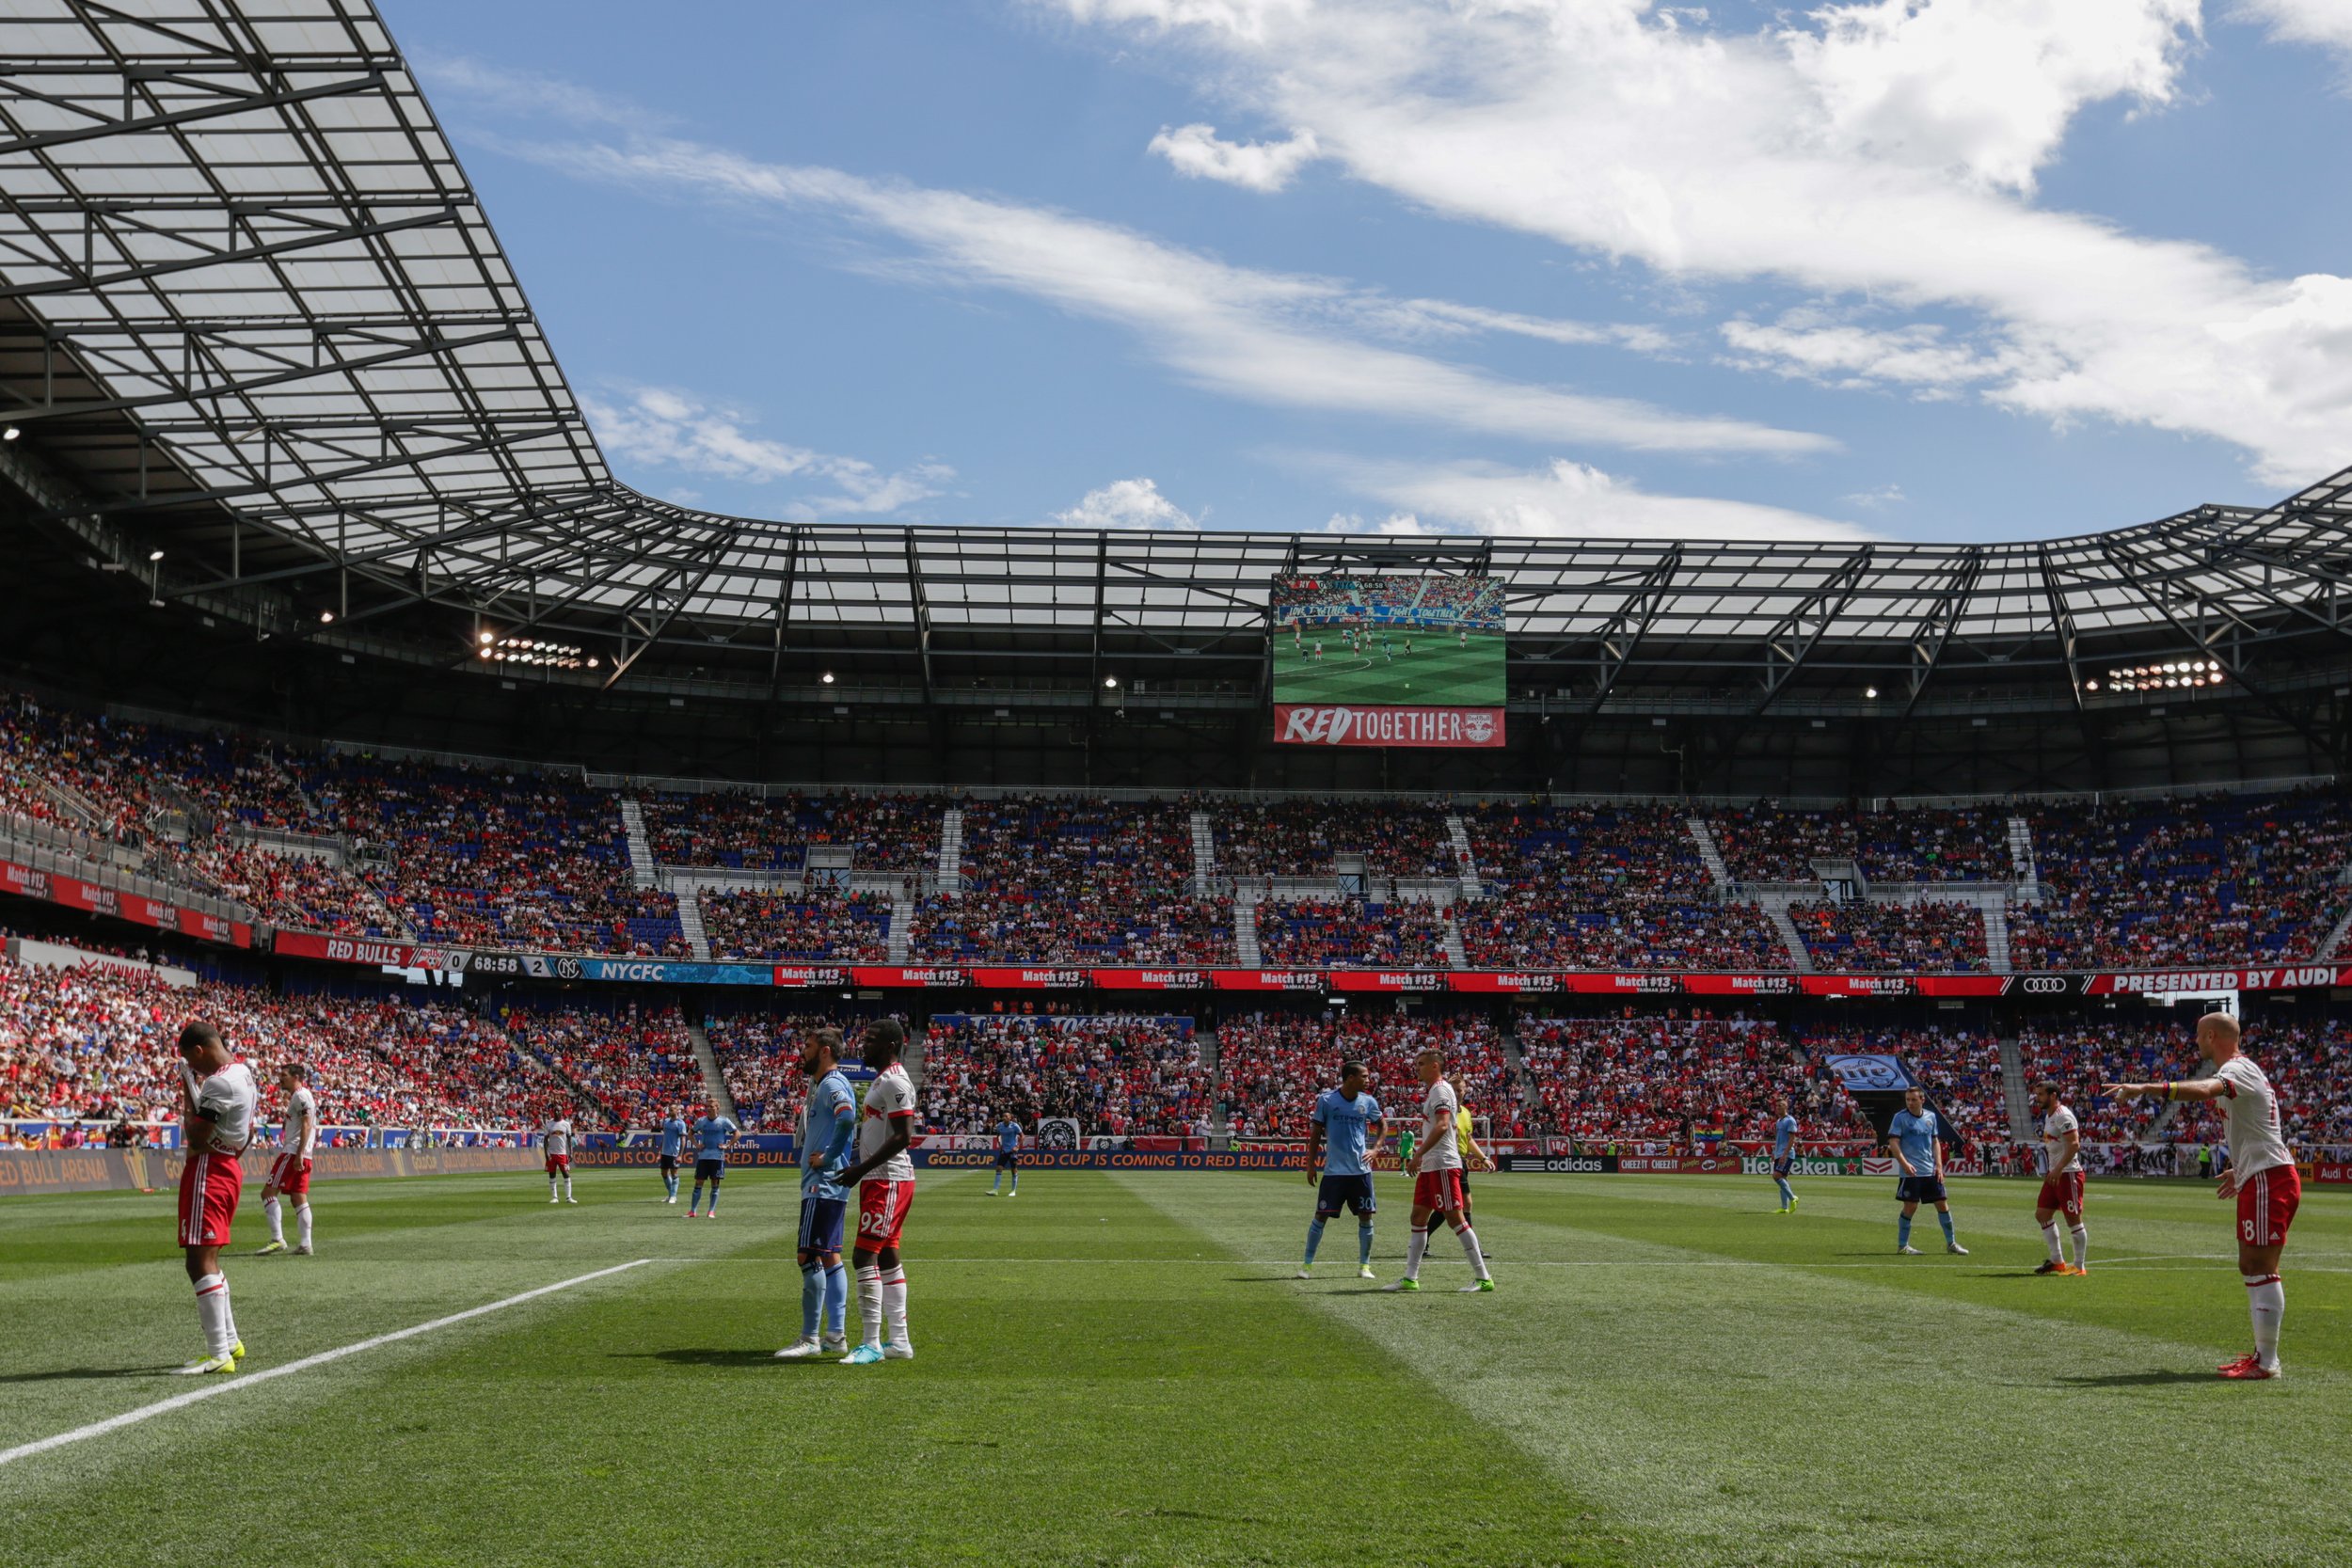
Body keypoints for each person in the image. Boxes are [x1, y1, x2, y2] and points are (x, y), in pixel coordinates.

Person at [2104, 1012, 2298, 1379]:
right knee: (2252, 1266)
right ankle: (2263, 1357)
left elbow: (2207, 1090)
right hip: (2261, 1174)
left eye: (2197, 1036)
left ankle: (2267, 1362)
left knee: (2261, 1267)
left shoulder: (2236, 1070)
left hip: (2269, 1178)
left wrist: (2146, 1088)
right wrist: (2240, 1168)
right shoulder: (2244, 1071)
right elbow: (2260, 1127)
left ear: (2210, 1036)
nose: (2195, 1042)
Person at [832, 1019, 919, 1364]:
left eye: (870, 1041)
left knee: (863, 1255)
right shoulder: (882, 1080)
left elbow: (904, 1135)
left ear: (891, 1046)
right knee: (886, 1255)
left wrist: (859, 1170)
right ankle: (899, 1342)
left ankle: (871, 1344)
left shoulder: (895, 1079)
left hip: (887, 1179)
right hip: (879, 1178)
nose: (863, 1045)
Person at [175, 1021, 257, 1374]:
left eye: (193, 1064)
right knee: (210, 1257)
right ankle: (230, 1342)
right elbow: (249, 1131)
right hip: (228, 1165)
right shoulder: (244, 1073)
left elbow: (195, 1136)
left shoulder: (220, 1082)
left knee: (199, 1260)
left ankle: (218, 1353)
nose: (195, 1071)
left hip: (210, 1169)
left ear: (199, 1051)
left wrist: (186, 1094)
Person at [1382, 1048, 1493, 1293]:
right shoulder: (1435, 1090)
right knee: (1418, 1218)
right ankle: (1410, 1278)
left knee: (1455, 1218)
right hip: (1432, 1166)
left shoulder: (1441, 1089)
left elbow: (1443, 1125)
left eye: (1422, 1063)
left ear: (1435, 1066)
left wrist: (1417, 1155)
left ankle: (1483, 1277)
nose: (1417, 1067)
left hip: (1443, 1163)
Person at [778, 1028, 857, 1359]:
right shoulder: (821, 1085)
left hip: (820, 1185)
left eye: (808, 1047)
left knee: (808, 1257)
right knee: (830, 1256)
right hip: (829, 1186)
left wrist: (826, 1157)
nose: (803, 1052)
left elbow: (848, 1118)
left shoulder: (832, 1085)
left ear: (824, 1051)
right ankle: (835, 1336)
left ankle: (810, 1338)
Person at [1298, 1058, 1383, 1279]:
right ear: (1350, 1078)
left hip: (1361, 1172)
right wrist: (1310, 1165)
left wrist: (1376, 1149)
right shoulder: (1326, 1100)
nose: (1368, 1079)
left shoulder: (1368, 1102)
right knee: (1320, 1216)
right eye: (1364, 1076)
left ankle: (1365, 1266)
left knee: (1366, 1217)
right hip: (1334, 1172)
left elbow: (1383, 1125)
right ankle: (1306, 1266)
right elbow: (1316, 1133)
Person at [1886, 1086, 1966, 1256]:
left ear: (1922, 1100)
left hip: (1930, 1170)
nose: (1910, 1103)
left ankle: (1951, 1243)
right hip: (1911, 1172)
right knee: (1910, 1207)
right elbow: (1893, 1143)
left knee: (1942, 1204)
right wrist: (1905, 1164)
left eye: (1913, 1099)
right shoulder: (1899, 1118)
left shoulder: (1931, 1117)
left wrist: (1939, 1165)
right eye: (1908, 1099)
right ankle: (1902, 1246)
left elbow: (1935, 1141)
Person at [256, 1062, 317, 1257]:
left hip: (293, 1152)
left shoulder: (300, 1095)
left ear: (296, 1077)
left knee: (267, 1193)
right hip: (304, 1153)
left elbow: (307, 1124)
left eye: (283, 1075)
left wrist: (298, 1153)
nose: (280, 1078)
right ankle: (306, 1244)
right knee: (298, 1197)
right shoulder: (302, 1096)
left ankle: (277, 1239)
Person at [2031, 1081, 2087, 1276]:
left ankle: (2079, 1266)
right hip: (2055, 1174)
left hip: (2068, 1173)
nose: (2037, 1099)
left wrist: (2059, 1168)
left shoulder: (2063, 1116)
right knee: (2042, 1214)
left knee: (2073, 1220)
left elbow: (2074, 1145)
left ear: (2053, 1095)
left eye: (2041, 1095)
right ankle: (2057, 1261)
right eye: (2037, 1094)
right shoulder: (2049, 1116)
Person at [687, 1104, 739, 1218]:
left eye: (711, 1107)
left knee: (715, 1183)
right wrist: (696, 1144)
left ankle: (711, 1211)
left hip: (717, 1157)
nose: (709, 1109)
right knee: (698, 1183)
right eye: (708, 1107)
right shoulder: (701, 1121)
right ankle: (693, 1211)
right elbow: (690, 1133)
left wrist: (727, 1145)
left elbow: (737, 1134)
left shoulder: (724, 1121)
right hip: (703, 1156)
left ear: (717, 1108)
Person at [1770, 1098, 1800, 1213]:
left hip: (1787, 1153)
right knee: (1783, 1179)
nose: (1778, 1108)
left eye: (1780, 1105)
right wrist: (1774, 1153)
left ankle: (1793, 1198)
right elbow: (1778, 1138)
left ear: (1786, 1107)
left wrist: (1785, 1154)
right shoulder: (1778, 1121)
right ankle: (1784, 1207)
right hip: (1779, 1153)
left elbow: (1792, 1138)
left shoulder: (1790, 1120)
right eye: (1777, 1106)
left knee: (1776, 1176)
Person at [541, 1112, 576, 1205]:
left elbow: (569, 1139)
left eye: (558, 1111)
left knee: (566, 1174)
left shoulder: (566, 1124)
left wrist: (571, 1153)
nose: (556, 1113)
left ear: (561, 1113)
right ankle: (554, 1197)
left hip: (562, 1153)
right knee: (552, 1174)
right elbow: (545, 1140)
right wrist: (546, 1153)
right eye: (554, 1111)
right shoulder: (549, 1124)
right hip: (552, 1153)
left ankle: (569, 1197)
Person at [656, 1107, 688, 1204]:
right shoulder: (666, 1121)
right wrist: (659, 1152)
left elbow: (683, 1140)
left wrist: (680, 1155)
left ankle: (673, 1196)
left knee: (674, 1174)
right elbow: (664, 1137)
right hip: (665, 1152)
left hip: (674, 1153)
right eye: (669, 1110)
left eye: (672, 1110)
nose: (670, 1112)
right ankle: (670, 1194)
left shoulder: (681, 1123)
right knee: (664, 1173)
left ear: (677, 1111)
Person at [990, 1117, 1022, 1197]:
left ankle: (1013, 1191)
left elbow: (1023, 1136)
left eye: (1006, 1116)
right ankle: (995, 1190)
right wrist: (1000, 1145)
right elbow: (998, 1135)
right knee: (999, 1168)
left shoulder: (1015, 1126)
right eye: (1003, 1116)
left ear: (1010, 1118)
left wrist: (1017, 1146)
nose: (1004, 1117)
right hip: (1004, 1150)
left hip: (1012, 1151)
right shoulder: (1000, 1125)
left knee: (1014, 1170)